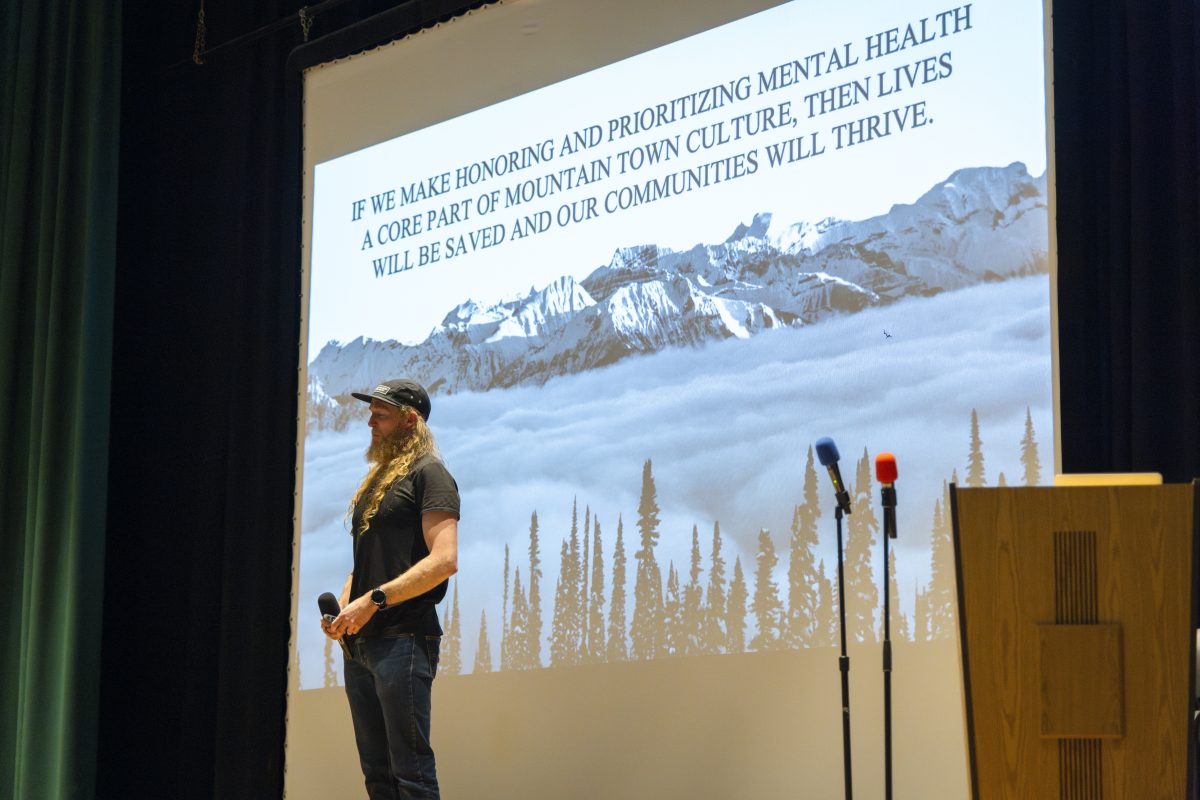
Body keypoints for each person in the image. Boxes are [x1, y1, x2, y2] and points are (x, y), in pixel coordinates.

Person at [322, 378, 459, 800]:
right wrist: (348, 605)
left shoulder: (430, 474)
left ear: (410, 421)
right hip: (361, 645)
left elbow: (444, 560)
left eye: (380, 415)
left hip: (404, 639)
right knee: (378, 778)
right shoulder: (379, 480)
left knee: (411, 775)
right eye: (371, 414)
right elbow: (367, 562)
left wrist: (374, 599)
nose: (370, 423)